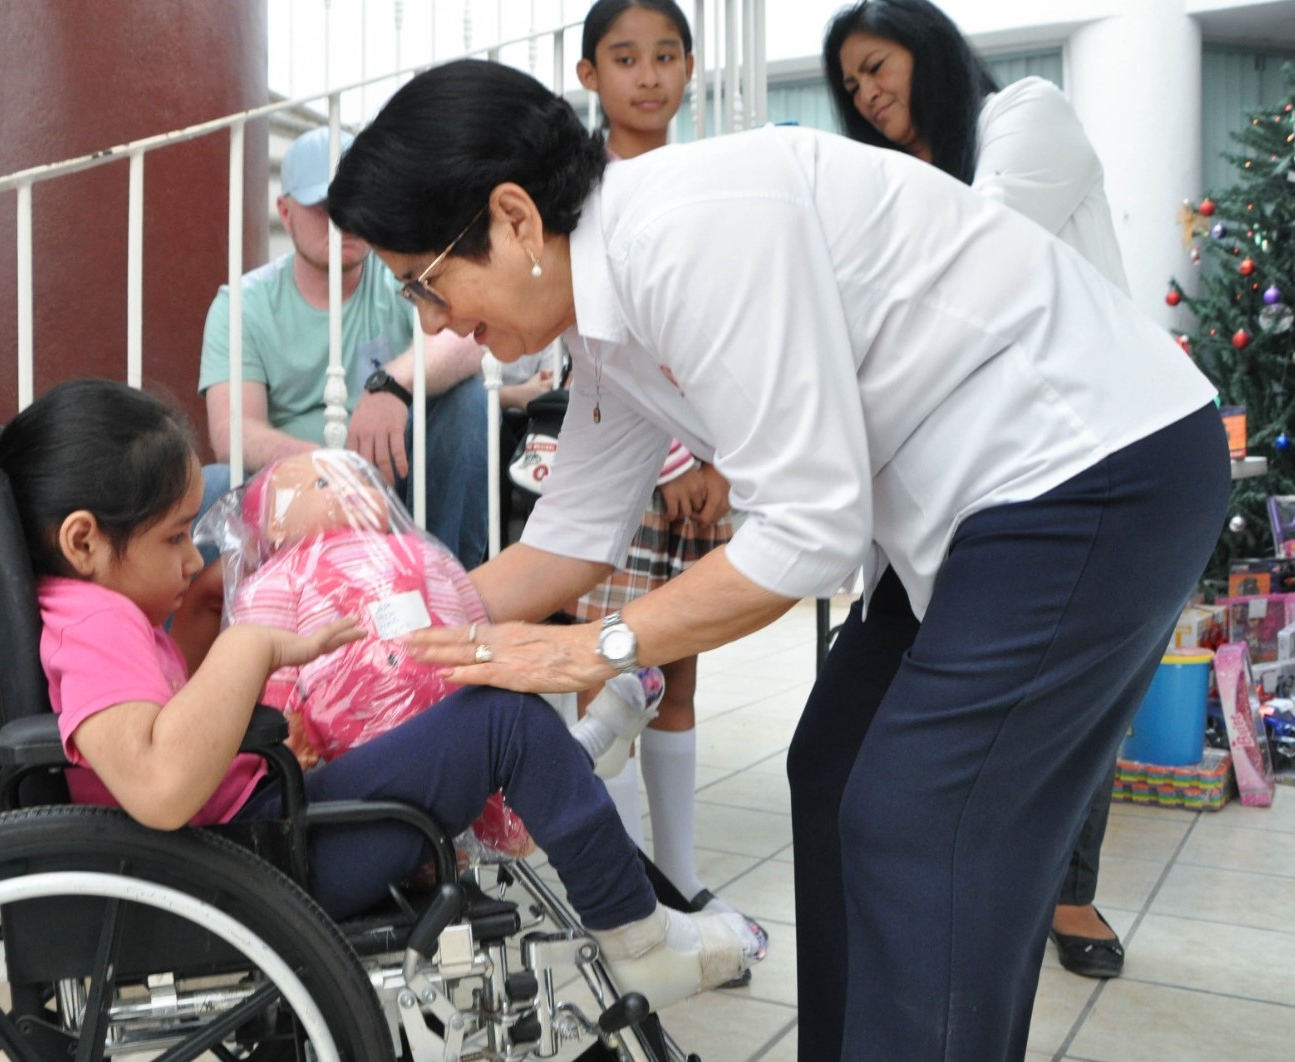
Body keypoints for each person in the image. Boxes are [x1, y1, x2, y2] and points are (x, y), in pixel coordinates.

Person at [325, 58, 1228, 1060]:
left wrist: (593, 652)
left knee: (921, 819)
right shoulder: (603, 311)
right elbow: (566, 540)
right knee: (835, 771)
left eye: (426, 281)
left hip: (1094, 465)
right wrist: (354, 647)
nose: (432, 322)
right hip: (976, 506)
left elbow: (809, 531)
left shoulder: (690, 234)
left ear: (513, 217)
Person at [0, 377, 767, 1013]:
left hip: (248, 836)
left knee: (460, 713)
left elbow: (164, 736)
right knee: (502, 721)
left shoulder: (87, 612)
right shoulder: (94, 626)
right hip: (250, 860)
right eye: (172, 537)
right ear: (84, 540)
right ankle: (638, 942)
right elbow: (160, 786)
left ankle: (594, 799)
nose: (192, 554)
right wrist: (248, 643)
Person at [824, 0, 1130, 981]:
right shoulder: (895, 182)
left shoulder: (1027, 116)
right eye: (853, 85)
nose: (869, 96)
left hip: (1077, 456)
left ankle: (1067, 888)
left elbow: (975, 268)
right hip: (953, 485)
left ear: (931, 51)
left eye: (880, 68)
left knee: (1073, 701)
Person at [571, 0, 745, 930]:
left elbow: (722, 330)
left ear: (688, 67)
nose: (648, 75)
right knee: (617, 682)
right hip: (626, 465)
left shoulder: (704, 181)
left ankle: (677, 877)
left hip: (706, 467)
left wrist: (721, 457)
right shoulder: (585, 195)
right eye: (625, 57)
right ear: (588, 72)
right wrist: (680, 453)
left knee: (677, 675)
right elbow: (601, 338)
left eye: (666, 55)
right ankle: (630, 889)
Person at [199, 127, 490, 569]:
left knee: (469, 403)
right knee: (212, 484)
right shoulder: (243, 303)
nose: (347, 220)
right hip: (294, 489)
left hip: (400, 479)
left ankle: (448, 588)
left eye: (358, 203)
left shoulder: (400, 270)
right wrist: (339, 469)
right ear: (285, 210)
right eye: (325, 207)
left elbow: (469, 337)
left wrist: (391, 385)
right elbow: (233, 433)